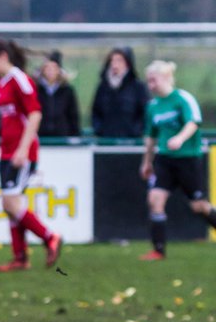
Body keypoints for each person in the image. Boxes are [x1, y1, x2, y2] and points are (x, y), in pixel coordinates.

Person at [0, 38, 63, 272]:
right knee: (11, 205)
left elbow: (35, 114)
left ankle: (49, 237)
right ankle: (20, 258)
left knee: (9, 201)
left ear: (3, 56)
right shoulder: (1, 83)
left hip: (21, 153)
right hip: (7, 152)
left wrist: (23, 149)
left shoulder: (19, 79)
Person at [138, 60, 216, 260]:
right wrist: (147, 161)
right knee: (155, 200)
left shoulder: (183, 99)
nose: (150, 85)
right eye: (148, 81)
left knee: (198, 206)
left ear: (165, 78)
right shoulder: (153, 106)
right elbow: (150, 137)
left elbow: (193, 123)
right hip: (164, 159)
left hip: (188, 159)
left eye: (153, 80)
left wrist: (180, 138)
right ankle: (158, 250)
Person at [91, 47, 148, 139]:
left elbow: (144, 113)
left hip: (130, 142)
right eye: (112, 61)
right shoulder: (103, 87)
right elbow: (96, 112)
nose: (114, 65)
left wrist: (136, 131)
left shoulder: (138, 87)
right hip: (106, 141)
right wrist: (99, 130)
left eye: (119, 60)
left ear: (128, 63)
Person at [36, 51, 81, 138]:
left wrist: (75, 135)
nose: (50, 71)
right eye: (47, 67)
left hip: (62, 138)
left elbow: (73, 116)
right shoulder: (37, 90)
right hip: (42, 138)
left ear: (58, 70)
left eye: (53, 67)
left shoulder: (67, 91)